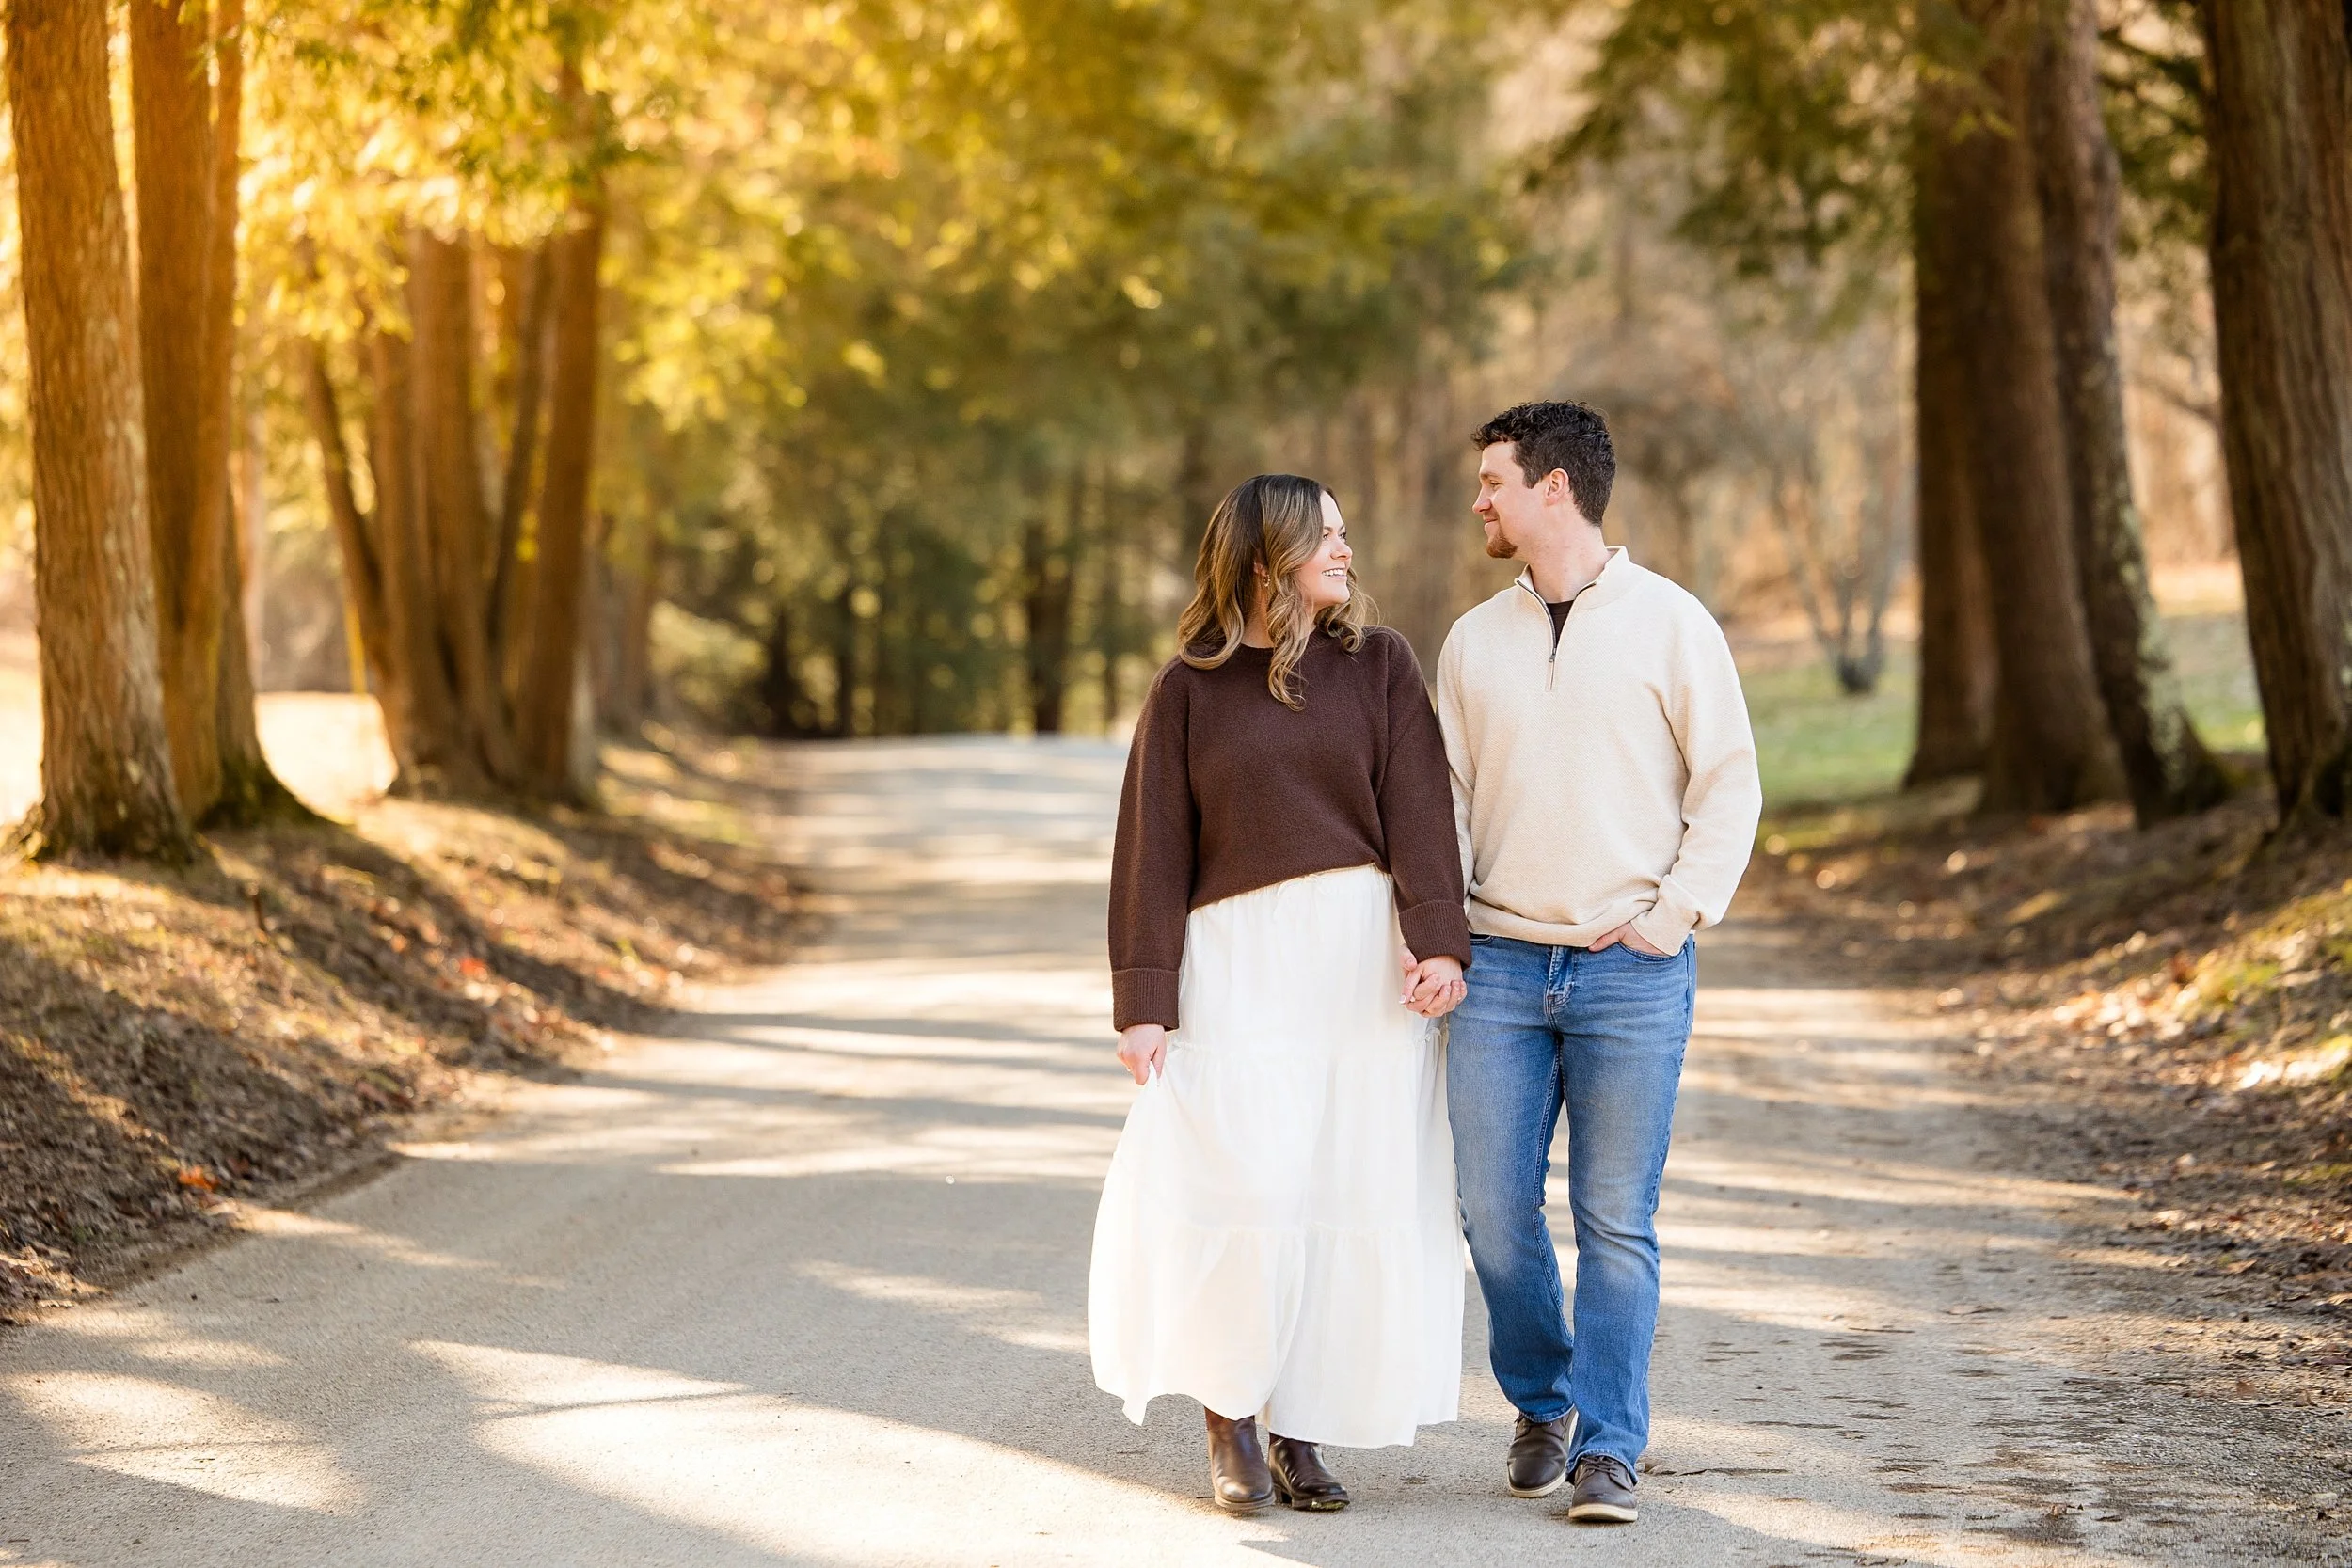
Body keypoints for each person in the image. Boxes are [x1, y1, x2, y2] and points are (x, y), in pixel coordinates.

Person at [1089, 472, 1472, 1514]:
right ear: (1266, 560)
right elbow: (1151, 854)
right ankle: (1231, 1414)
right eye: (1326, 536)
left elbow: (1420, 812)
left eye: (1347, 532)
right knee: (1248, 1188)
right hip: (1238, 969)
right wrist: (1144, 1001)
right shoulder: (1187, 690)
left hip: (1358, 971)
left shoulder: (1379, 665)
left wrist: (1438, 942)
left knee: (1341, 1189)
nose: (1346, 550)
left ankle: (1302, 1424)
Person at [1438, 401, 1761, 1526]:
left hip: (1631, 968)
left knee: (1615, 1218)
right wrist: (1441, 933)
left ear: (1554, 487)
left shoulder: (1673, 624)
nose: (1478, 501)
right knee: (1490, 1208)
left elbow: (1729, 785)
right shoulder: (1472, 640)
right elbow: (1446, 804)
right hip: (1498, 965)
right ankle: (1545, 1398)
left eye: (1493, 482)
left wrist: (1672, 917)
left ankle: (1609, 1445)